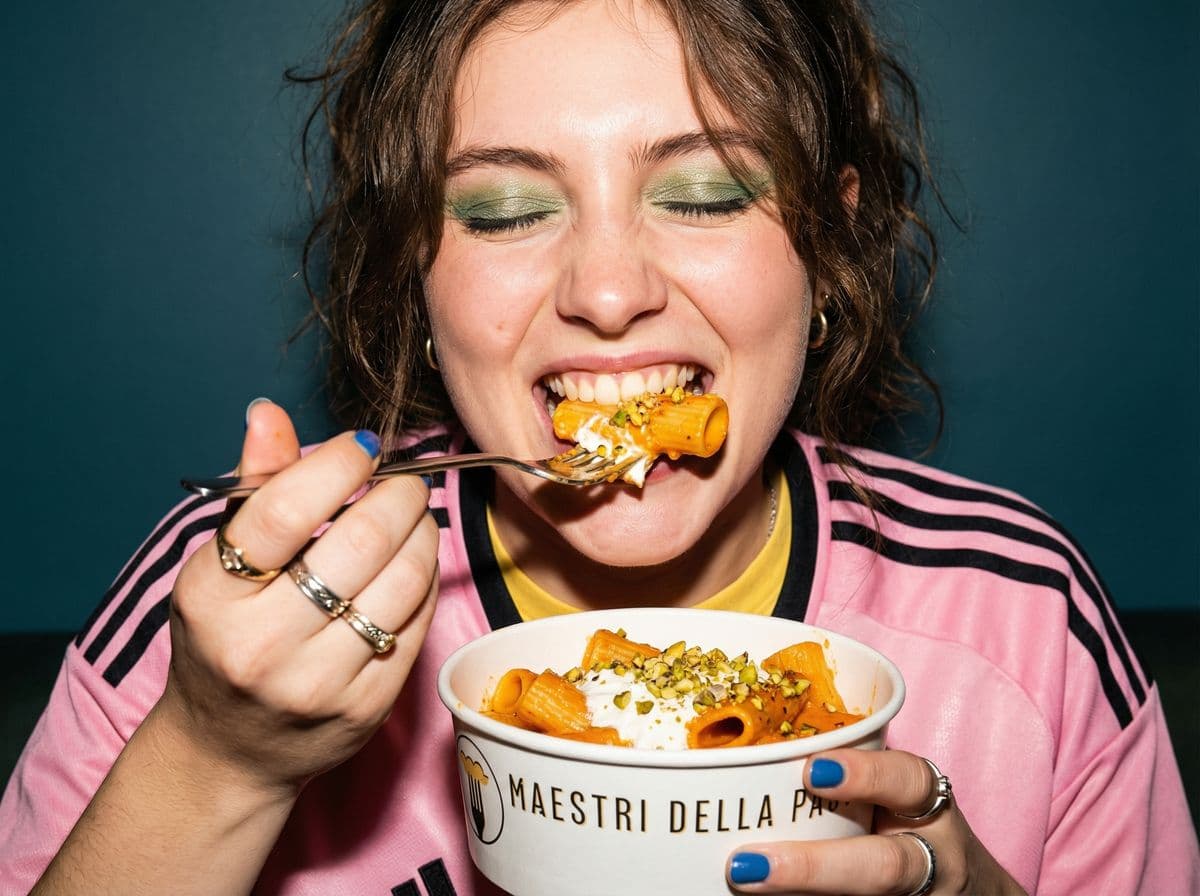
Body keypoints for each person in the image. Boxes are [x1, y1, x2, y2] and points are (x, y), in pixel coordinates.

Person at [2, 0, 1196, 893]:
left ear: (830, 246)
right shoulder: (234, 605)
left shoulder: (1026, 616)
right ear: (415, 275)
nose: (610, 290)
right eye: (507, 210)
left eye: (708, 191)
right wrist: (220, 757)